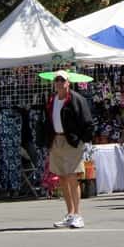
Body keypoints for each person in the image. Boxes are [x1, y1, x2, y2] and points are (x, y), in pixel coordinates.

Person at [46, 70, 94, 229]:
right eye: (56, 80)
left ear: (68, 82)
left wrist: (83, 140)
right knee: (62, 178)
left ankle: (77, 215)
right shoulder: (52, 99)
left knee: (72, 177)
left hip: (71, 142)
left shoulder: (76, 99)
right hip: (56, 140)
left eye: (62, 79)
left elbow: (87, 121)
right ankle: (70, 213)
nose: (59, 82)